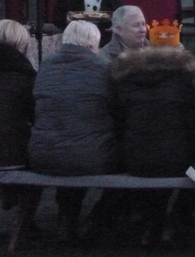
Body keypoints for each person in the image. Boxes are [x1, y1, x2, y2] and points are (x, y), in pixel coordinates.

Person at [109, 28, 195, 246]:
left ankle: (149, 221)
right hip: (178, 159)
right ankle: (175, 221)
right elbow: (194, 121)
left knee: (153, 150)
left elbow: (117, 118)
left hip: (134, 159)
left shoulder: (125, 78)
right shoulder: (188, 79)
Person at [28, 20, 121, 243]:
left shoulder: (45, 68)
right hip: (89, 157)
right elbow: (118, 112)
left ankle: (67, 217)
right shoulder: (103, 70)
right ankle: (99, 219)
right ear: (93, 45)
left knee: (72, 145)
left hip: (42, 156)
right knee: (101, 152)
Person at [0, 20, 39, 219]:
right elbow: (37, 118)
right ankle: (26, 221)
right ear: (21, 44)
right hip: (12, 156)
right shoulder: (26, 76)